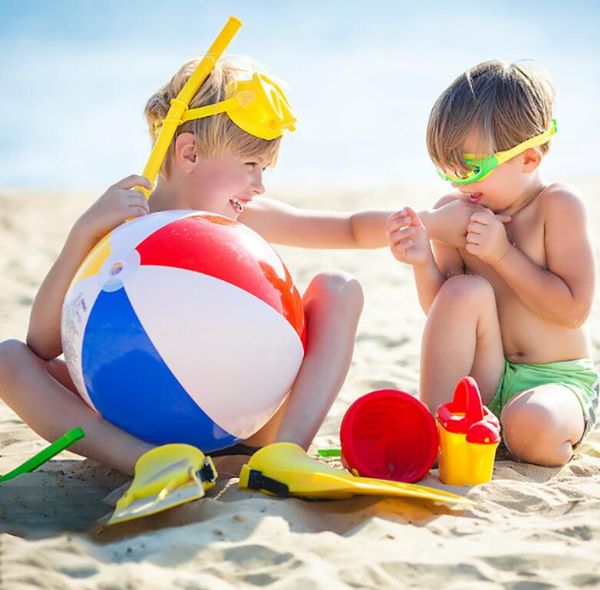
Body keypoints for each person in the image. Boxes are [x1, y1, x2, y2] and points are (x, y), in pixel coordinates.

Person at [0, 56, 396, 476]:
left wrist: (428, 224)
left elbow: (348, 229)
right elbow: (42, 344)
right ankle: (145, 463)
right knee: (9, 359)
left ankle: (284, 455)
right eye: (250, 166)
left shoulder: (240, 215)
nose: (260, 185)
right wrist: (82, 235)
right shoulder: (122, 227)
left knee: (339, 288)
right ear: (189, 152)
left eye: (263, 169)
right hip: (134, 419)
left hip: (246, 423)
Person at [386, 59, 598, 467]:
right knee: (465, 289)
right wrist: (421, 261)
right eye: (448, 170)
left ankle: (520, 431)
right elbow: (444, 312)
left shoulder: (557, 206)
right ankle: (431, 433)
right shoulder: (455, 211)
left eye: (472, 169)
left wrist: (503, 255)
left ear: (529, 160)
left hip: (554, 380)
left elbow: (573, 311)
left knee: (531, 425)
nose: (459, 184)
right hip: (487, 375)